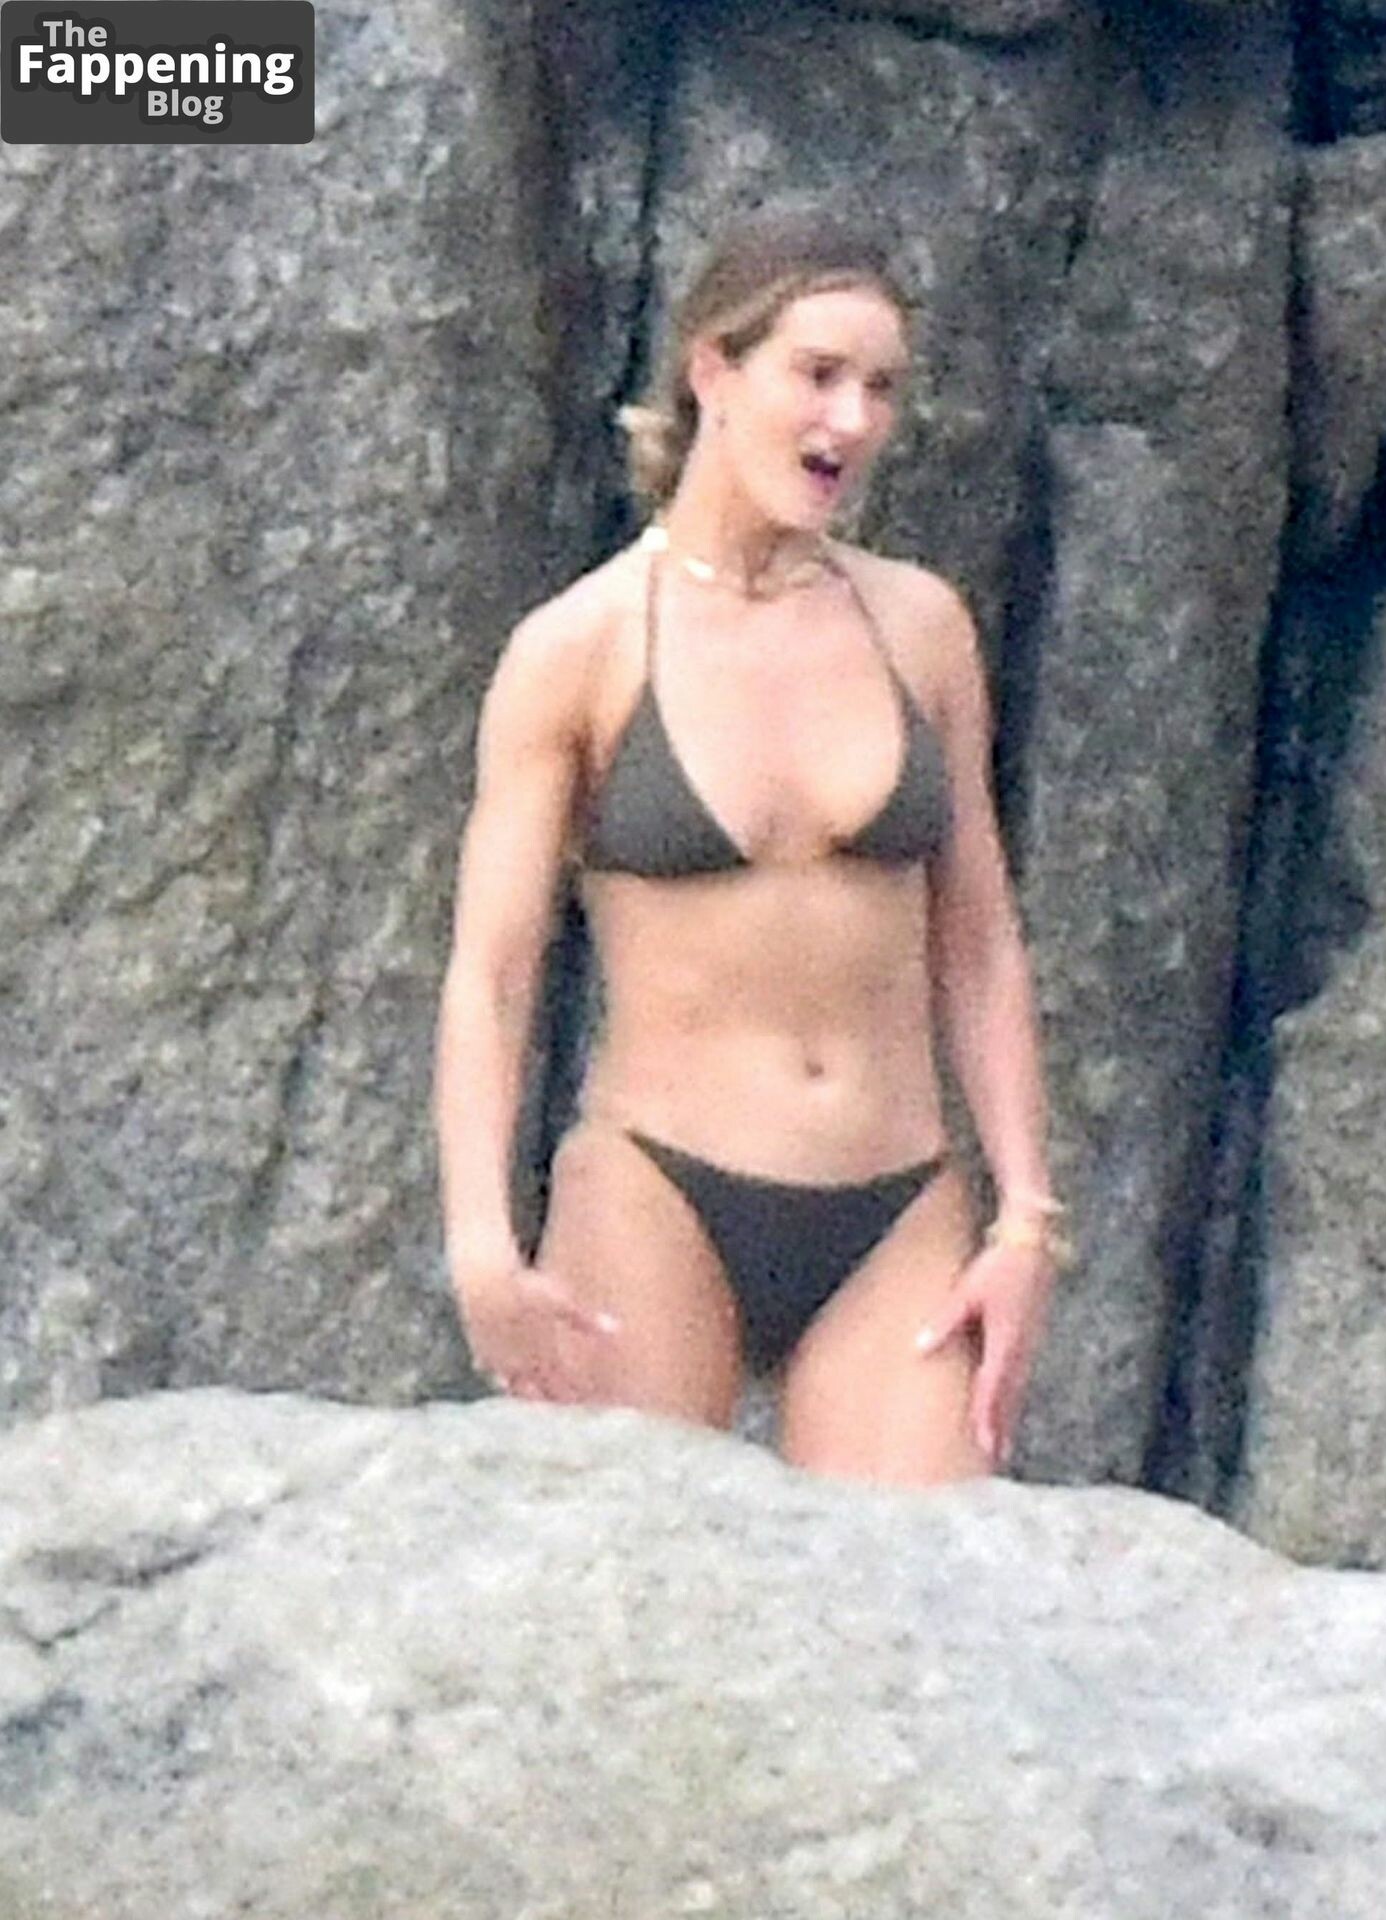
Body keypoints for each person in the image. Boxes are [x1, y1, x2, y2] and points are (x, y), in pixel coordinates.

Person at [433, 206, 1068, 1486]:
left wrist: (1025, 1220)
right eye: (818, 374)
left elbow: (980, 944)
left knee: (913, 1589)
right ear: (713, 373)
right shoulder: (578, 649)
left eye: (881, 388)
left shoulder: (921, 629)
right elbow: (492, 976)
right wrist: (480, 1247)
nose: (853, 420)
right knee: (629, 1581)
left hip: (897, 1208)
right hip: (655, 1192)